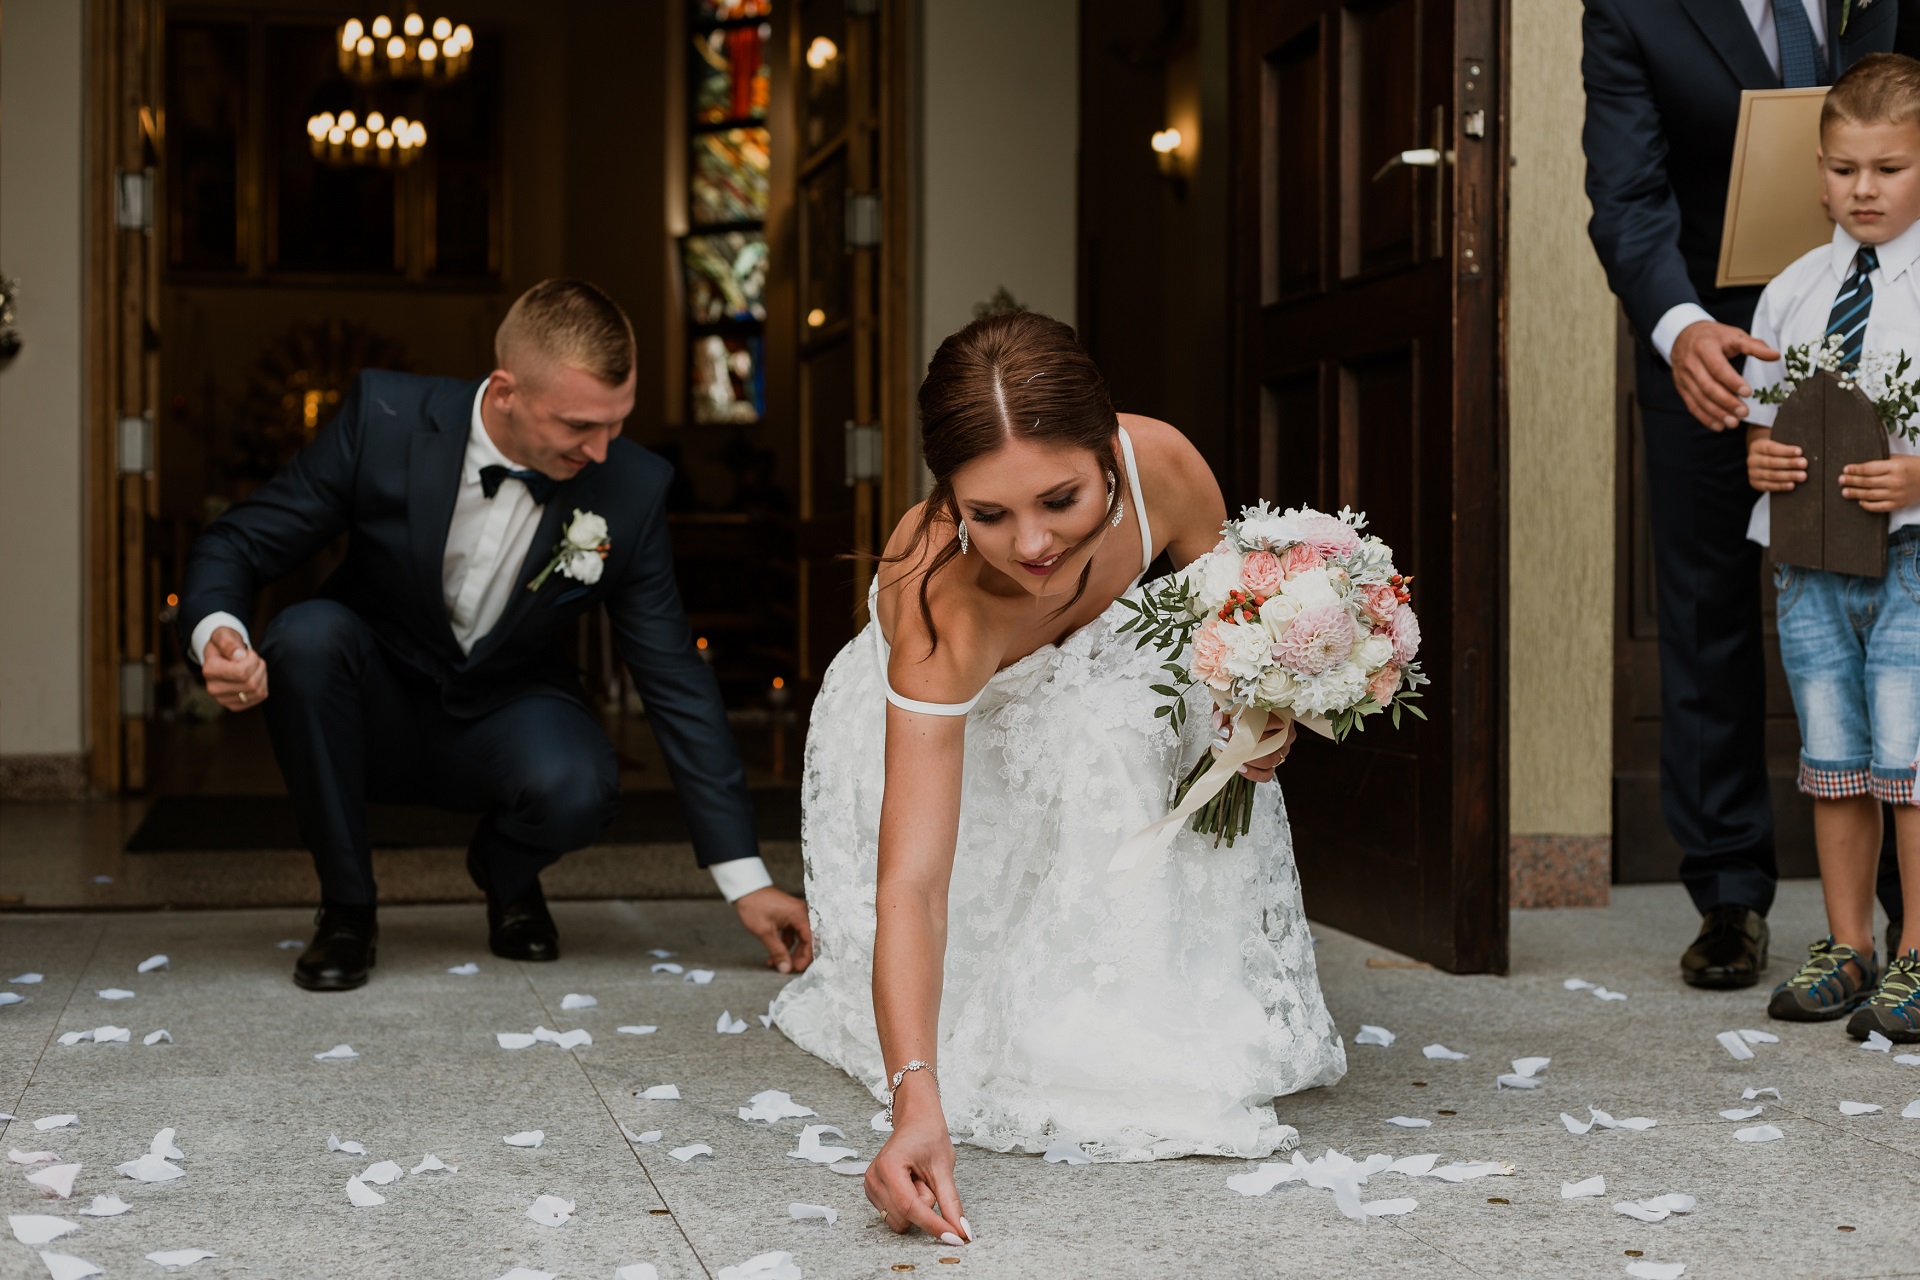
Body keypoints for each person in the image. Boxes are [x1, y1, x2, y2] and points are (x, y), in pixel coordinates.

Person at [769, 312, 1345, 1243]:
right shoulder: (937, 604)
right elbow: (912, 885)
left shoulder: (1165, 467)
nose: (1032, 544)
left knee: (1137, 703)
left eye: (1061, 501)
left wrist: (1256, 717)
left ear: (1108, 454)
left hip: (1097, 670)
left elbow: (1232, 633)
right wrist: (915, 1104)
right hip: (934, 726)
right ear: (949, 494)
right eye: (987, 513)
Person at [178, 279, 813, 991]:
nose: (602, 452)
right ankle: (348, 908)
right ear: (505, 391)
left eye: (617, 423)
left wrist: (745, 878)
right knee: (304, 636)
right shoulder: (384, 418)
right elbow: (240, 542)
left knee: (581, 783)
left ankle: (506, 873)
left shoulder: (629, 489)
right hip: (369, 704)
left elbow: (674, 677)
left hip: (508, 712)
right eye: (579, 426)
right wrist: (216, 633)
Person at [1583, 0, 1912, 989]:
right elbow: (1629, 195)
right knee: (1706, 604)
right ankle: (1729, 891)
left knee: (1905, 626)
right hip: (1715, 329)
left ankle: (1909, 915)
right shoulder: (1630, 12)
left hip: (1901, 313)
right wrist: (1678, 326)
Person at [1744, 53, 1920, 1041]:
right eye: (1846, 168)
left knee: (1913, 756)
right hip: (1808, 563)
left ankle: (1919, 954)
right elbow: (1763, 431)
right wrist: (1764, 463)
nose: (1864, 189)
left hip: (1912, 557)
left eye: (1889, 168)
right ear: (1818, 171)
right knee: (1835, 758)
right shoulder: (1791, 293)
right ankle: (1848, 943)